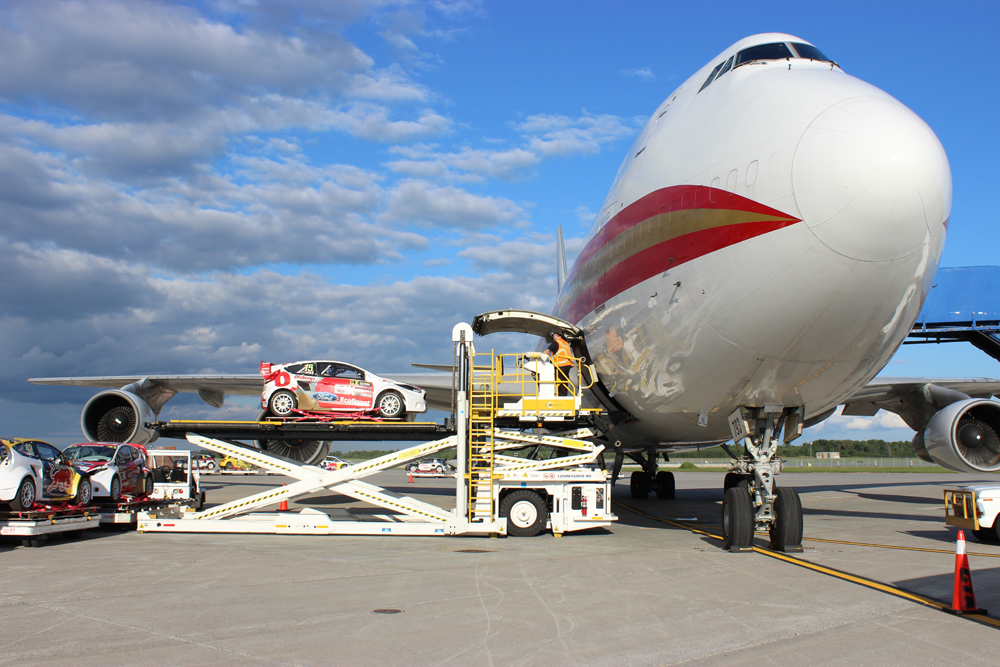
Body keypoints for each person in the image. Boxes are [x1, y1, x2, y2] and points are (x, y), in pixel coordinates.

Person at [544, 331, 575, 396]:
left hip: (560, 365)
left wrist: (538, 357)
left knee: (560, 382)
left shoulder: (556, 343)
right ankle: (563, 395)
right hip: (567, 365)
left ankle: (561, 396)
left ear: (556, 335)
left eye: (553, 335)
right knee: (564, 382)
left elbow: (547, 351)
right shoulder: (566, 343)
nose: (553, 337)